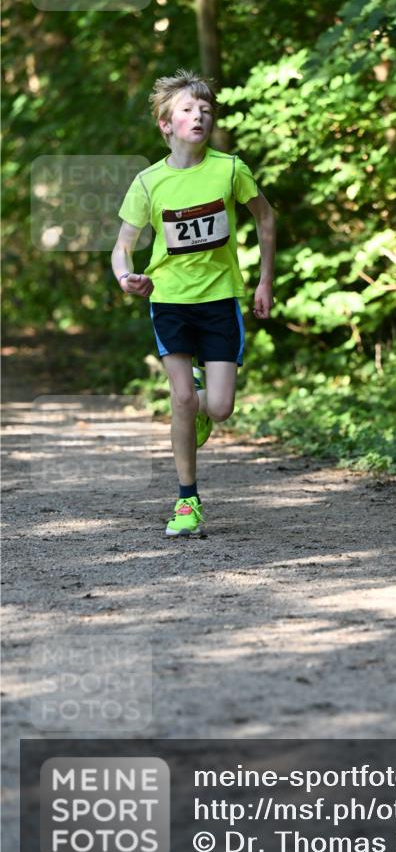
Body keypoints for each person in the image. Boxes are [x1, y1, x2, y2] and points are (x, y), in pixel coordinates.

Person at [111, 69, 276, 537]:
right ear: (166, 124)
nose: (198, 115)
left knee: (219, 407)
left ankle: (200, 402)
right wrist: (127, 277)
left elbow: (265, 219)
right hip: (170, 301)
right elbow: (122, 247)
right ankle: (187, 502)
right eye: (187, 109)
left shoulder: (230, 169)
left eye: (205, 109)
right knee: (181, 398)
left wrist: (265, 281)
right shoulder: (148, 183)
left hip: (221, 299)